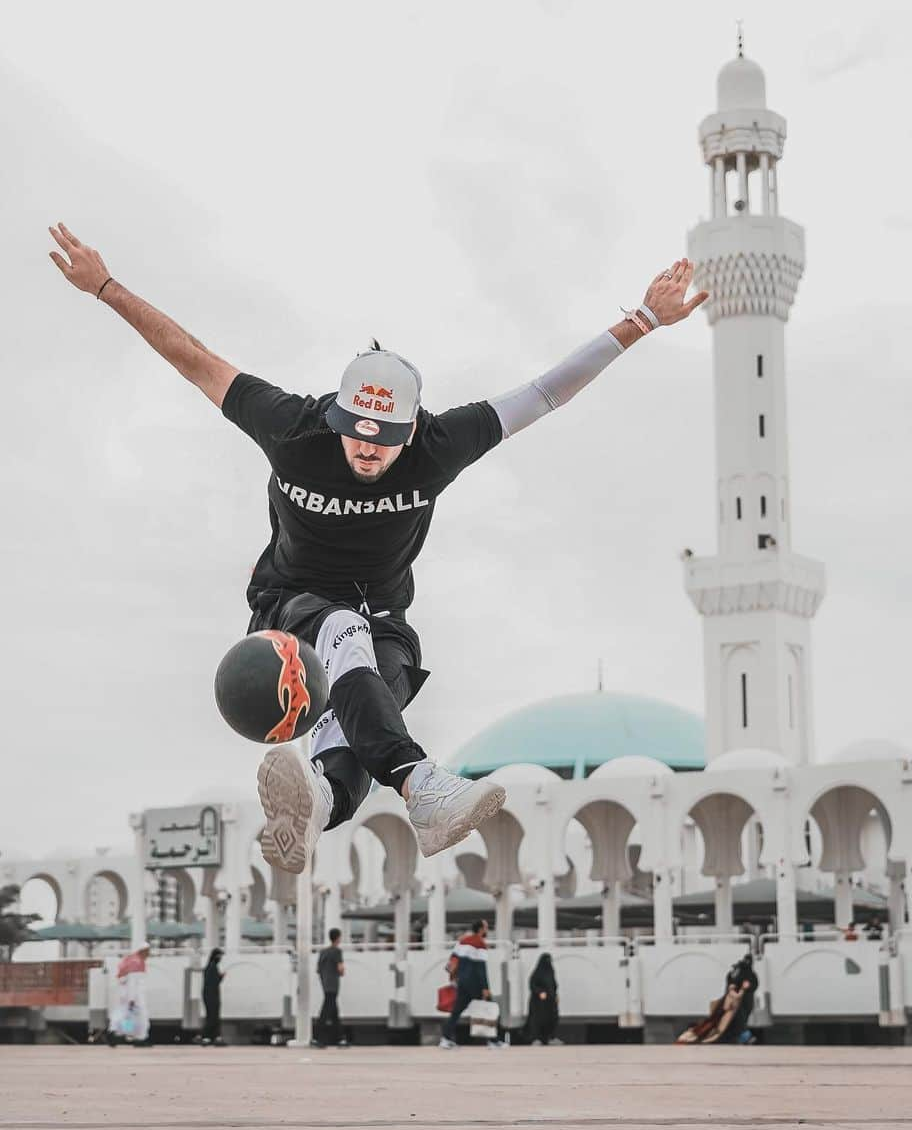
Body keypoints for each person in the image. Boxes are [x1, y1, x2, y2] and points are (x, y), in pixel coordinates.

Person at [48, 225, 708, 875]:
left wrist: (644, 319)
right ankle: (422, 782)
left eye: (383, 440)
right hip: (289, 610)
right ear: (336, 416)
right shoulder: (291, 427)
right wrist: (105, 286)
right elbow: (194, 359)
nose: (365, 450)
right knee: (342, 632)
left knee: (364, 718)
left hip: (385, 618)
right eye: (353, 435)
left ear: (413, 427)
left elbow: (544, 393)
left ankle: (320, 807)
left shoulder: (441, 444)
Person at [440, 919, 500, 1049]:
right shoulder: (479, 943)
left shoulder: (462, 941)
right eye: (486, 927)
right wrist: (485, 988)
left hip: (462, 981)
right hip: (475, 983)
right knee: (488, 1008)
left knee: (456, 1011)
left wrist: (454, 977)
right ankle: (493, 1041)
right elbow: (480, 968)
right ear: (481, 929)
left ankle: (445, 1039)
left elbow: (453, 960)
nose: (487, 930)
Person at [675, 952, 758, 1046]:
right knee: (727, 1021)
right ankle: (743, 1037)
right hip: (733, 1003)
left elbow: (746, 986)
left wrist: (741, 990)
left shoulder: (745, 975)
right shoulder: (738, 974)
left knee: (735, 1021)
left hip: (739, 1003)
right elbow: (733, 985)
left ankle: (743, 1037)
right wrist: (737, 990)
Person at [108, 945, 151, 1046]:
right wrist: (132, 998)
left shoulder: (128, 960)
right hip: (134, 996)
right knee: (141, 1016)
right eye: (147, 951)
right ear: (142, 951)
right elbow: (133, 982)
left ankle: (117, 1033)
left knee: (126, 1016)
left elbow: (123, 979)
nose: (149, 954)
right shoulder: (136, 962)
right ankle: (140, 1039)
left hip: (125, 994)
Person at [315, 927, 346, 1047]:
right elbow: (341, 969)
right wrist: (341, 972)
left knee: (334, 1013)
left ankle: (340, 1039)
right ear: (338, 937)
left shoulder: (323, 952)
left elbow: (318, 970)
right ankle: (318, 1038)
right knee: (326, 1012)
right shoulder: (337, 951)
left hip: (325, 984)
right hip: (333, 985)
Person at [524, 952, 559, 1045]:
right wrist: (539, 992)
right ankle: (536, 1038)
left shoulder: (551, 971)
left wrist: (555, 995)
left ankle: (551, 1038)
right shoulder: (537, 972)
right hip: (538, 1003)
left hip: (550, 1001)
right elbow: (532, 984)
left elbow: (554, 984)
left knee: (551, 1019)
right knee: (537, 1020)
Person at [201, 947, 225, 1045]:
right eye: (220, 956)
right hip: (212, 995)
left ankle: (214, 1037)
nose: (220, 958)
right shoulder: (212, 967)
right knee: (213, 1017)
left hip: (209, 995)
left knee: (213, 1016)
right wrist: (221, 977)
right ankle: (207, 1037)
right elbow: (214, 982)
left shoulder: (209, 967)